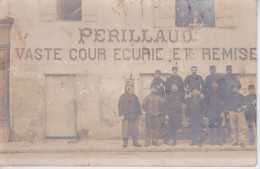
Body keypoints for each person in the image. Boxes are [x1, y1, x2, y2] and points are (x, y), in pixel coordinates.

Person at [219, 65, 241, 141]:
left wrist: (234, 87)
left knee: (232, 120)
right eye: (228, 70)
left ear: (231, 70)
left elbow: (239, 85)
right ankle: (223, 138)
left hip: (231, 99)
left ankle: (232, 137)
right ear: (226, 70)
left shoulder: (234, 77)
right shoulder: (223, 77)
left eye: (230, 70)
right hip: (224, 99)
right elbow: (220, 86)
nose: (229, 71)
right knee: (223, 120)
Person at [204, 81, 224, 146]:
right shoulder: (208, 93)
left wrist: (223, 112)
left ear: (218, 85)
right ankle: (212, 141)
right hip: (211, 112)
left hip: (218, 112)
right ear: (212, 85)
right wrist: (206, 113)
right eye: (213, 84)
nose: (215, 85)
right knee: (211, 128)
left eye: (216, 84)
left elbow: (223, 103)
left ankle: (218, 141)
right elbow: (205, 104)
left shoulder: (221, 92)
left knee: (219, 127)